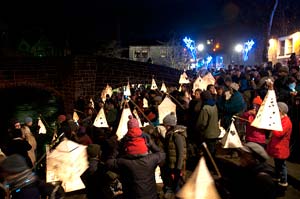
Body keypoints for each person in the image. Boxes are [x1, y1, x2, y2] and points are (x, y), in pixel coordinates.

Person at [267, 102, 292, 187]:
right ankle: (277, 177)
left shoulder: (286, 122)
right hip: (277, 148)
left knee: (282, 165)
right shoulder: (280, 120)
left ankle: (284, 181)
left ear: (280, 111)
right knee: (277, 164)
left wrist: (272, 125)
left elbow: (279, 133)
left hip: (281, 148)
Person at [162, 112, 187, 196]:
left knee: (178, 184)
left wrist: (178, 168)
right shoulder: (169, 134)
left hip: (176, 166)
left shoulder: (177, 136)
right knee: (173, 182)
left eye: (165, 125)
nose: (164, 127)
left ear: (169, 125)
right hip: (171, 164)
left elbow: (181, 153)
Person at [195, 90, 220, 157]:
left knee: (208, 152)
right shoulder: (214, 105)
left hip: (208, 133)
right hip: (215, 131)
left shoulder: (205, 108)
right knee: (213, 150)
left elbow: (203, 122)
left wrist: (199, 128)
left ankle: (210, 164)